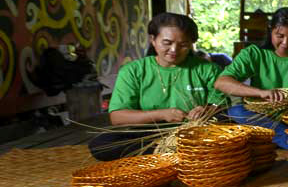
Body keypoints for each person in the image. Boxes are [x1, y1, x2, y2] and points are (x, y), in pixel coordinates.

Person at [87, 12, 225, 160]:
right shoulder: (133, 71)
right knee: (101, 144)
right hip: (150, 134)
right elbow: (117, 117)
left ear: (191, 44)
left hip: (196, 132)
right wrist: (162, 114)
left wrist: (208, 109)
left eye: (183, 45)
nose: (174, 50)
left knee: (231, 130)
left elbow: (221, 104)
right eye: (167, 43)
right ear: (153, 40)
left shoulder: (208, 69)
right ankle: (175, 152)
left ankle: (170, 154)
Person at [216, 7, 288, 148]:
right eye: (280, 36)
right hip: (264, 117)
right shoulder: (254, 53)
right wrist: (260, 92)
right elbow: (221, 82)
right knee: (236, 112)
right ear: (270, 30)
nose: (286, 43)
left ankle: (283, 137)